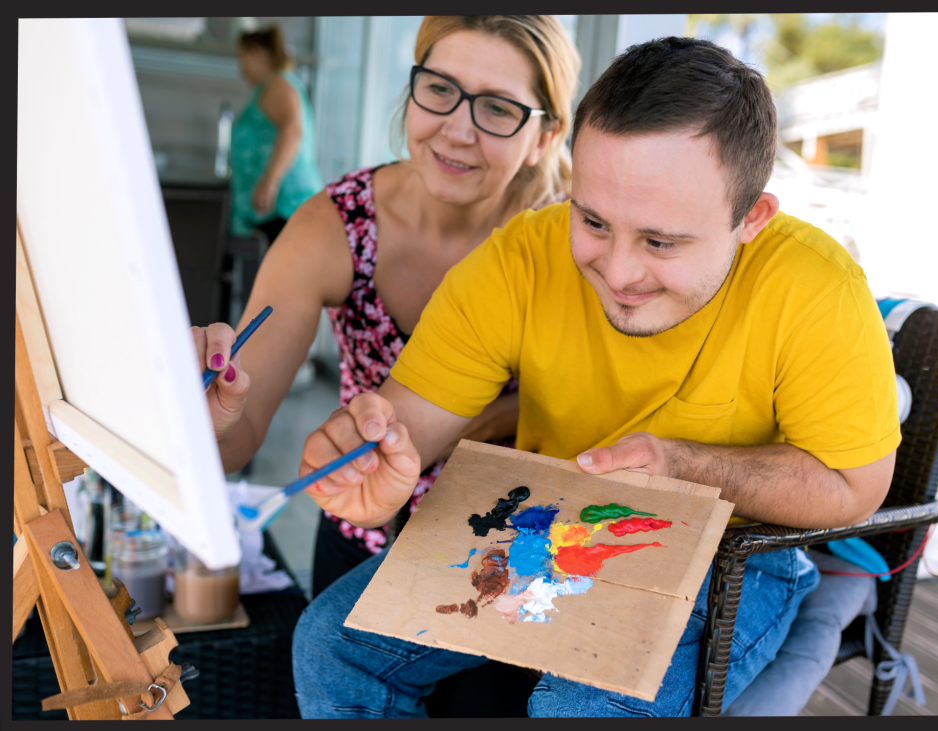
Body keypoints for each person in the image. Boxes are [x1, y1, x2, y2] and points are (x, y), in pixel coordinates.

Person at [289, 36, 901, 718]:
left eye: (660, 241)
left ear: (750, 217)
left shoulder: (816, 287)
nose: (617, 270)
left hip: (732, 552)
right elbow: (406, 425)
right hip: (547, 524)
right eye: (593, 221)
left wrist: (682, 466)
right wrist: (370, 455)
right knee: (329, 645)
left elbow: (855, 486)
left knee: (577, 708)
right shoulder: (522, 258)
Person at [193, 16, 580, 596]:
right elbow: (238, 436)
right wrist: (211, 416)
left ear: (545, 136)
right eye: (440, 89)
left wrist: (487, 418)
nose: (457, 130)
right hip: (365, 541)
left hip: (523, 559)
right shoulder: (337, 224)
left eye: (498, 108)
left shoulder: (581, 242)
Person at [231, 25, 322, 245]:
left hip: (285, 205)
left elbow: (293, 131)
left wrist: (270, 181)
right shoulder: (277, 84)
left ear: (258, 54)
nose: (241, 69)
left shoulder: (278, 84)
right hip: (277, 209)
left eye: (243, 59)